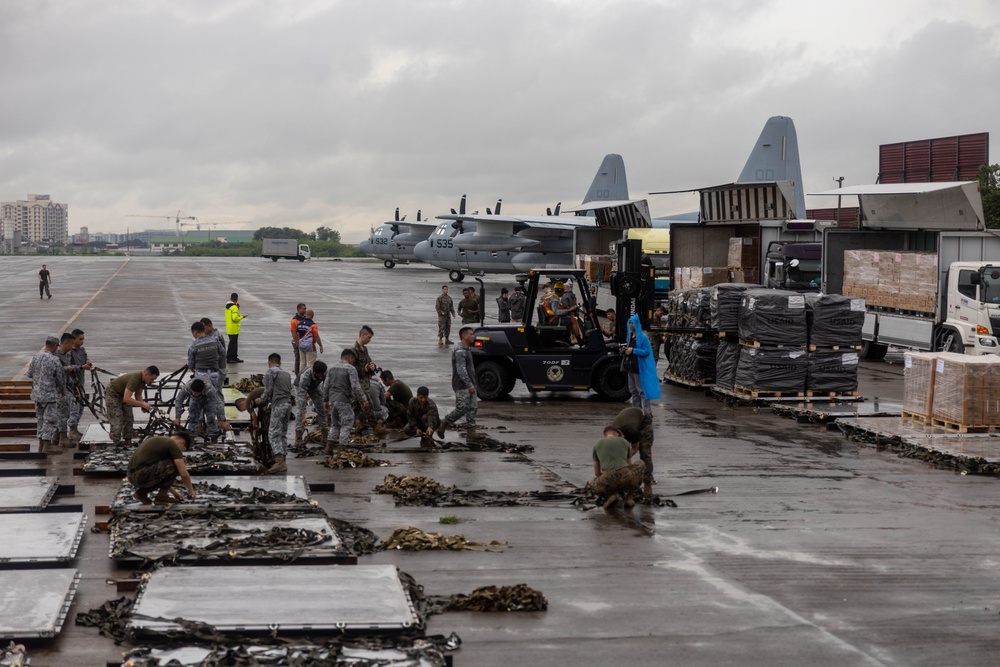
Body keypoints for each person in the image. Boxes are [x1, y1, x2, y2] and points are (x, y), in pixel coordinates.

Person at [127, 432, 196, 505]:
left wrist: (175, 494)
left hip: (133, 476)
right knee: (176, 464)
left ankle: (141, 493)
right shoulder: (172, 444)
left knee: (170, 466)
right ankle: (161, 497)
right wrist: (191, 490)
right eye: (183, 450)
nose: (180, 452)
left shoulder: (162, 442)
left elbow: (163, 476)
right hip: (141, 475)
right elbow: (183, 473)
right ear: (182, 443)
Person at [436, 326, 479, 440]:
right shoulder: (460, 351)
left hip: (470, 384)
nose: (473, 336)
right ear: (464, 336)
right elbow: (461, 370)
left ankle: (471, 432)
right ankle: (444, 422)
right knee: (462, 408)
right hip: (461, 385)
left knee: (473, 407)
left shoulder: (466, 348)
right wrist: (469, 384)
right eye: (471, 334)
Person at [323, 348, 368, 454]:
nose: (353, 361)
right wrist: (364, 399)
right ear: (350, 358)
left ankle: (329, 447)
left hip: (332, 401)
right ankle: (343, 447)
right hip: (344, 400)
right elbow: (355, 386)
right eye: (353, 359)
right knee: (347, 424)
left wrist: (325, 401)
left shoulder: (331, 368)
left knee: (335, 424)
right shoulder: (350, 369)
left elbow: (326, 386)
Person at [590, 426, 645, 509]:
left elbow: (597, 473)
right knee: (641, 463)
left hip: (607, 480)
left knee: (590, 484)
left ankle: (611, 496)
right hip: (626, 478)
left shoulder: (597, 445)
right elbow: (629, 465)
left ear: (605, 435)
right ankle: (629, 498)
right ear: (617, 434)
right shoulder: (624, 442)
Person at [27, 336, 67, 450]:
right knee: (50, 420)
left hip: (37, 395)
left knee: (40, 419)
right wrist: (63, 391)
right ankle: (47, 445)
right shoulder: (54, 360)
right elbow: (60, 378)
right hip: (49, 395)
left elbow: (29, 374)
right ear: (54, 346)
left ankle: (41, 444)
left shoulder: (36, 358)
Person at [104, 366, 159, 447]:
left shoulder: (143, 381)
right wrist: (142, 404)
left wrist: (143, 406)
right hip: (113, 394)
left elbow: (138, 394)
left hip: (123, 394)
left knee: (129, 418)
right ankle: (116, 443)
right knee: (117, 420)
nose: (152, 382)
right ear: (146, 375)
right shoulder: (135, 379)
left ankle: (128, 441)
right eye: (152, 379)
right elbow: (126, 399)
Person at [257, 353, 292, 473]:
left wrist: (260, 400)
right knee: (282, 433)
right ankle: (283, 459)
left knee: (273, 433)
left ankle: (279, 461)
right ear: (280, 362)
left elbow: (268, 390)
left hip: (279, 405)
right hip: (288, 405)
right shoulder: (287, 374)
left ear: (269, 362)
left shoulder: (271, 372)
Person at [612, 406, 655, 497]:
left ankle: (648, 483)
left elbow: (635, 448)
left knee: (645, 453)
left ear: (622, 436)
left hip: (644, 421)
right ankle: (623, 481)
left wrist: (626, 456)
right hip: (630, 419)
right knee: (620, 453)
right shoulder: (611, 432)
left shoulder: (631, 430)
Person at [622, 313, 661, 414]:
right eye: (629, 323)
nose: (631, 325)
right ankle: (637, 411)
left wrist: (633, 350)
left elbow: (647, 351)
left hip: (638, 367)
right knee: (633, 390)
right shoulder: (629, 336)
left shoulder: (643, 337)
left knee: (641, 390)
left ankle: (647, 412)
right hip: (630, 366)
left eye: (633, 323)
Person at [172, 378, 225, 442]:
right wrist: (178, 417)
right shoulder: (186, 388)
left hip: (208, 399)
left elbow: (218, 403)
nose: (194, 393)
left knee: (211, 416)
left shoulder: (210, 390)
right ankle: (191, 434)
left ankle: (213, 434)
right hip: (195, 399)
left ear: (202, 390)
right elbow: (178, 400)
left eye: (196, 393)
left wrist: (222, 419)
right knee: (193, 416)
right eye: (193, 392)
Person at [351, 325, 381, 432]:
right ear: (363, 335)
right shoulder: (354, 351)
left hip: (366, 382)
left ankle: (346, 423)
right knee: (367, 403)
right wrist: (364, 369)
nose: (370, 340)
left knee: (355, 407)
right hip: (359, 384)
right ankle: (376, 427)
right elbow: (351, 370)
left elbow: (368, 362)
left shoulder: (364, 349)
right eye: (369, 337)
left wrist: (372, 366)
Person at [201, 317, 229, 425]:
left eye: (204, 328)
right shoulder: (210, 336)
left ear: (209, 325)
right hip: (215, 369)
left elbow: (218, 354)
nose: (203, 331)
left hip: (218, 370)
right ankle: (218, 419)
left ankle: (221, 419)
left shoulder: (216, 336)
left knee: (216, 394)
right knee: (216, 393)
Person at [66, 329, 92, 444]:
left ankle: (75, 428)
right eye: (80, 339)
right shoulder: (69, 352)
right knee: (74, 408)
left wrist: (88, 363)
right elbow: (68, 367)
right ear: (74, 339)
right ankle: (72, 430)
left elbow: (85, 359)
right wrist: (81, 367)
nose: (82, 341)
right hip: (72, 384)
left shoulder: (82, 350)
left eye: (83, 339)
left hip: (80, 383)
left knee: (81, 407)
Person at [188, 321, 226, 400]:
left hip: (200, 374)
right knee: (216, 396)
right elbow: (223, 352)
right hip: (214, 373)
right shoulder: (215, 340)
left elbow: (191, 364)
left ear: (195, 332)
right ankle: (219, 412)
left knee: (200, 397)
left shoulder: (194, 345)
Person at [53, 332, 79, 447]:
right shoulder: (55, 355)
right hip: (59, 389)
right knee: (62, 414)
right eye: (71, 344)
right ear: (66, 342)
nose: (72, 347)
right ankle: (62, 438)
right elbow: (54, 370)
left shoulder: (67, 354)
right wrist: (66, 369)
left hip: (67, 386)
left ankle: (57, 437)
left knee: (66, 412)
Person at [295, 360, 328, 446]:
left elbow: (326, 388)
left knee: (321, 408)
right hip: (300, 386)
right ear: (315, 373)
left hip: (314, 387)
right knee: (299, 411)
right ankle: (298, 438)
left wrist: (326, 403)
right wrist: (303, 416)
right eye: (321, 374)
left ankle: (325, 436)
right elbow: (302, 397)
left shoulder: (324, 373)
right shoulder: (305, 376)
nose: (323, 375)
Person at [224, 292, 246, 363]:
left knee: (233, 343)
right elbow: (235, 318)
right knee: (233, 344)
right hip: (234, 328)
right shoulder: (234, 307)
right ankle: (230, 358)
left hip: (229, 327)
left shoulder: (227, 306)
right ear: (236, 299)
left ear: (231, 298)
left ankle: (234, 357)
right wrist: (242, 317)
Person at [290, 302, 308, 379]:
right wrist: (297, 343)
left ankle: (303, 373)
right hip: (297, 342)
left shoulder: (305, 318)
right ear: (299, 309)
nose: (305, 310)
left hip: (304, 341)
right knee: (298, 358)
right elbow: (293, 332)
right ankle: (297, 374)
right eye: (304, 309)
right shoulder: (294, 320)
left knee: (304, 359)